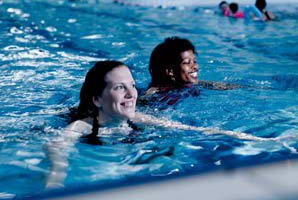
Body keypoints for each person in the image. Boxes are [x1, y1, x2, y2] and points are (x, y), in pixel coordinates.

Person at [45, 60, 273, 188]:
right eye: (119, 87)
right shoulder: (82, 126)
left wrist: (266, 141)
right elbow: (57, 147)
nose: (131, 94)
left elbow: (196, 130)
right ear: (97, 99)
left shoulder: (137, 117)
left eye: (132, 85)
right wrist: (55, 180)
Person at [139, 37, 239, 107]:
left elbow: (210, 85)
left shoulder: (186, 84)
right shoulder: (156, 93)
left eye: (194, 61)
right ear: (170, 71)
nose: (195, 67)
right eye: (187, 62)